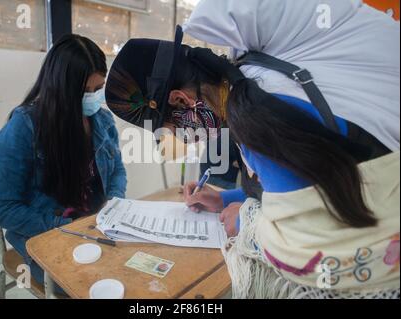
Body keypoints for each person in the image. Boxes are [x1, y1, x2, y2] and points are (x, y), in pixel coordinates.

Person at [105, 0, 399, 298]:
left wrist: (247, 222)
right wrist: (225, 199)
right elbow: (304, 187)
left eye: (174, 128)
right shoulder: (258, 80)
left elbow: (304, 248)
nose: (185, 138)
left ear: (181, 101)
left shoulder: (258, 119)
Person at [0, 34, 127, 287]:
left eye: (98, 89)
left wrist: (113, 203)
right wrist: (68, 226)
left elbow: (117, 169)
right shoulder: (24, 127)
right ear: (59, 88)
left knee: (134, 272)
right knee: (91, 285)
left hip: (97, 228)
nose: (93, 98)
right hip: (49, 236)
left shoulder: (103, 120)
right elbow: (3, 209)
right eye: (84, 91)